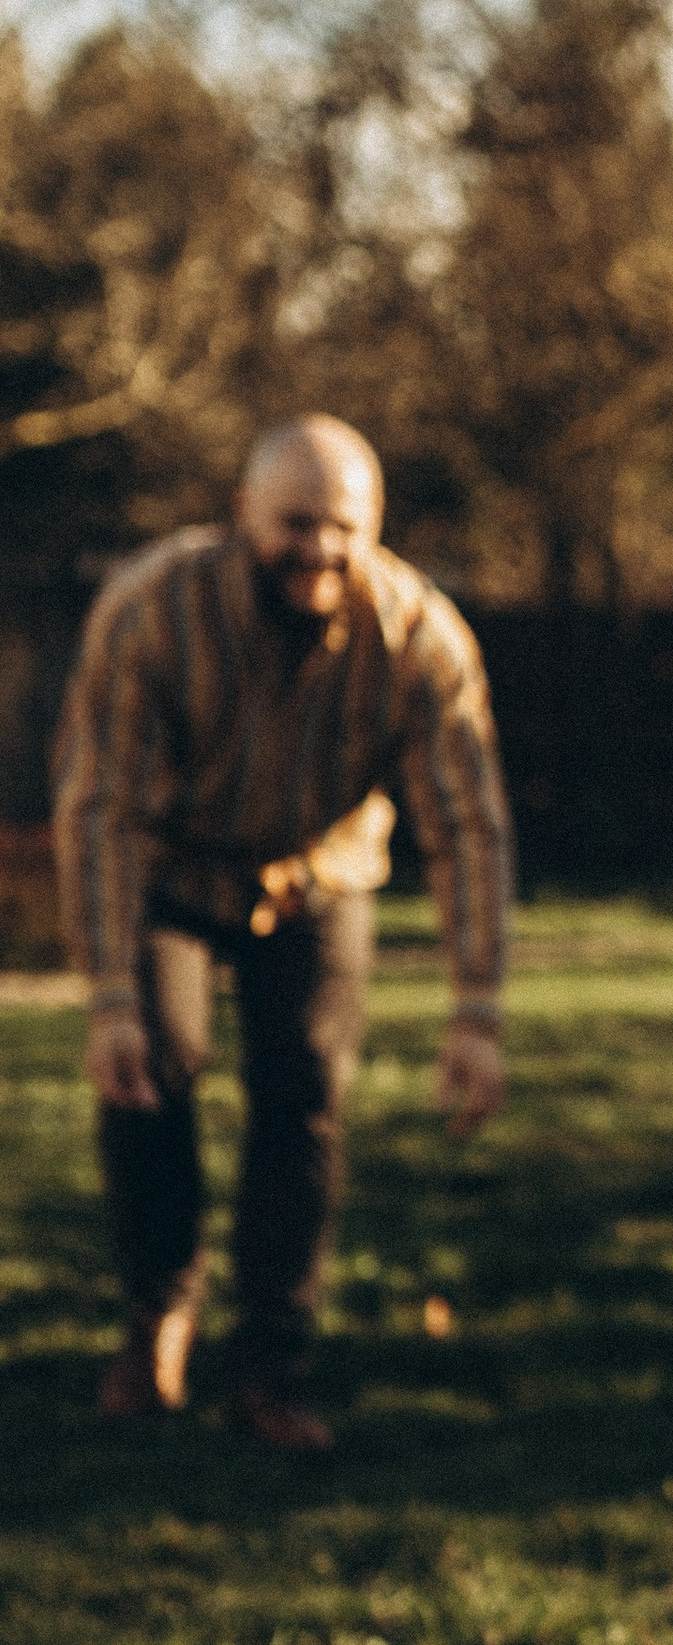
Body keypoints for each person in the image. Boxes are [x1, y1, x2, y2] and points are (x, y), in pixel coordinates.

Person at [51, 414, 514, 1451]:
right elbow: (100, 810)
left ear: (376, 530)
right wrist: (110, 998)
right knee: (154, 1063)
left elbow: (466, 823)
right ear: (241, 518)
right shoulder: (150, 614)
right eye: (294, 524)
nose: (319, 550)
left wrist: (477, 1009)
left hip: (320, 872)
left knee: (305, 1093)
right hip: (171, 867)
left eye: (342, 527)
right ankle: (157, 1314)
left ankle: (271, 1361)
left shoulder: (419, 638)